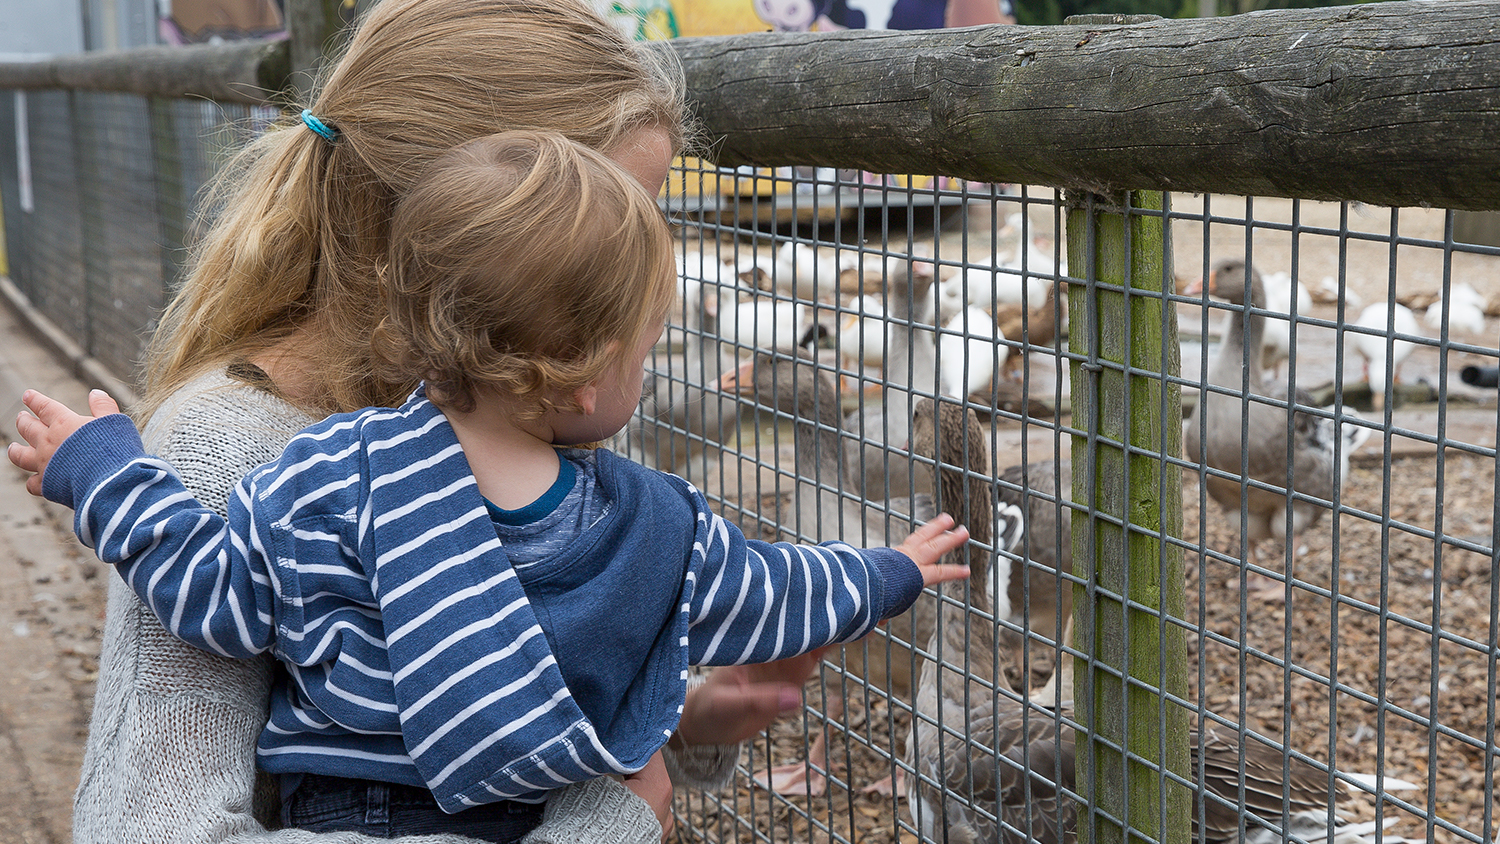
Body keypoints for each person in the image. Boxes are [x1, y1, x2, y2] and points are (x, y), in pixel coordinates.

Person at [9, 129, 972, 843]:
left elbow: (211, 594)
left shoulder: (325, 476)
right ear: (589, 372)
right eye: (645, 351)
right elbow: (776, 598)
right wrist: (891, 571)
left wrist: (104, 470)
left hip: (337, 821)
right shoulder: (647, 527)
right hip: (519, 820)